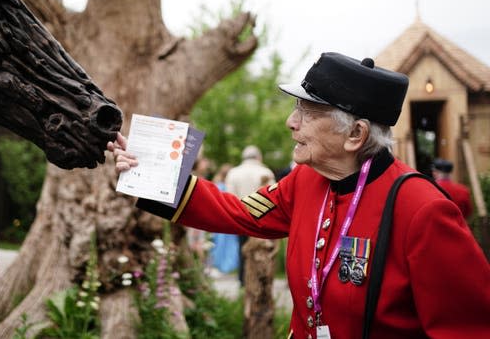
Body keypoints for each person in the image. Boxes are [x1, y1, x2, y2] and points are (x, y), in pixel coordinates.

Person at [109, 52, 490, 338]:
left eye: (307, 112)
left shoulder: (423, 211)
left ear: (355, 135)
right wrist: (149, 169)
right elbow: (238, 213)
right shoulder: (305, 181)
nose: (291, 122)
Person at [225, 145, 275, 284]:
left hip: (240, 216)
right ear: (258, 157)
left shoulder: (233, 173)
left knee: (243, 249)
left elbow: (229, 197)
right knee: (262, 251)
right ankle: (261, 281)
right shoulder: (266, 172)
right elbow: (273, 198)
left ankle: (243, 280)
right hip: (262, 218)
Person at [209, 163, 239, 275]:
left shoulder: (216, 185)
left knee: (218, 243)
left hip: (218, 219)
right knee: (228, 244)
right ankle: (228, 266)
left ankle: (218, 265)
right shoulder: (227, 187)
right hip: (228, 218)